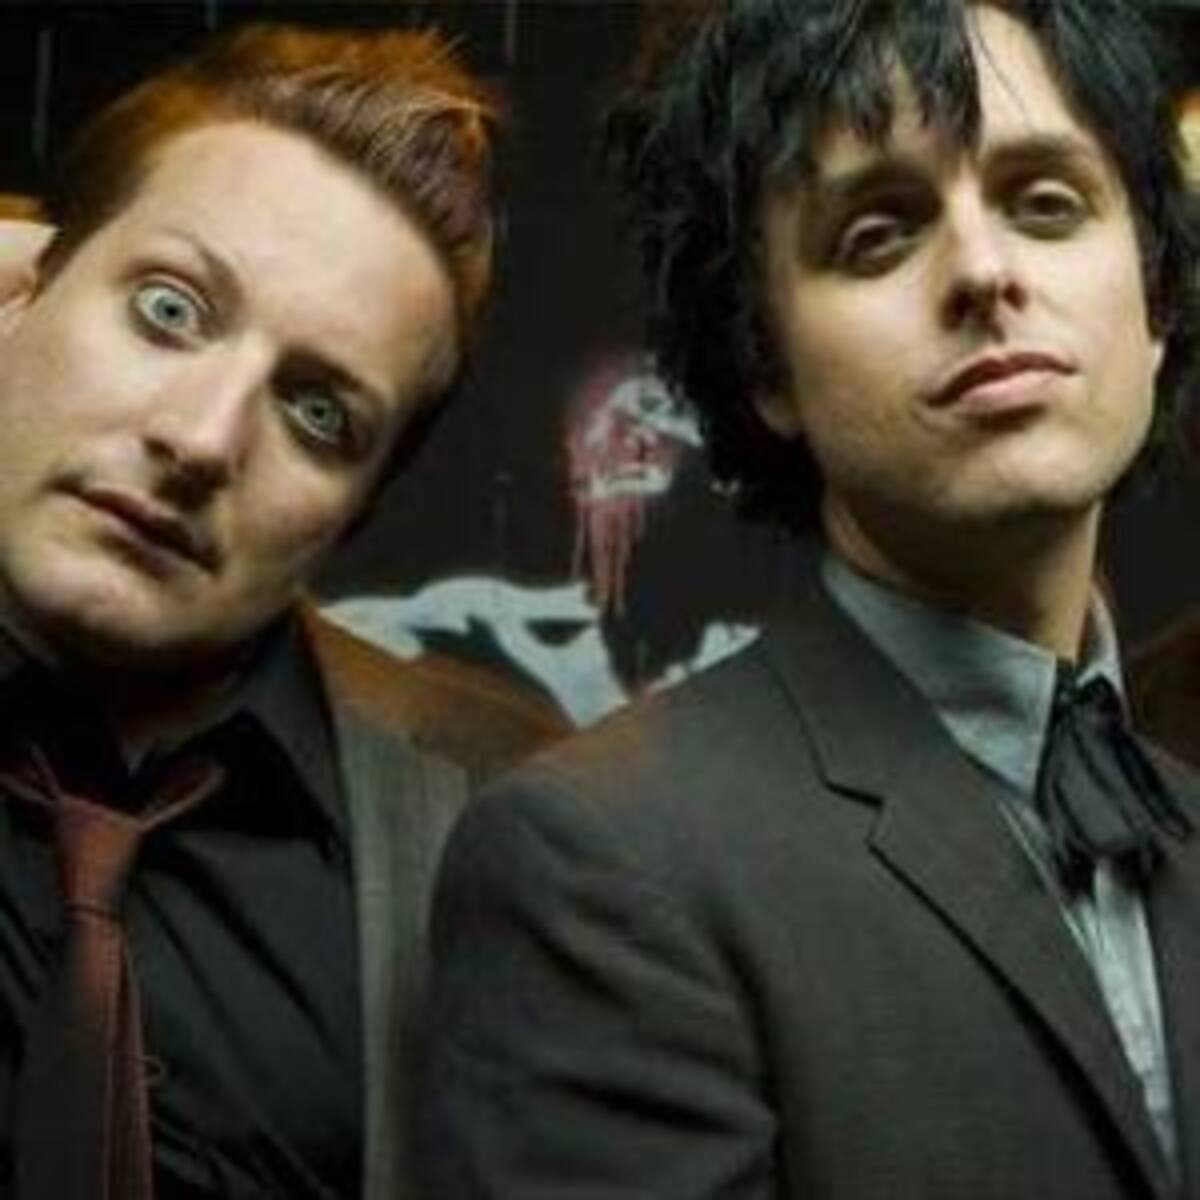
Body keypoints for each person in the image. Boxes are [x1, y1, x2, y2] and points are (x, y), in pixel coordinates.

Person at [418, 1, 1200, 1197]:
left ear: (1156, 309)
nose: (985, 271)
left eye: (1048, 204)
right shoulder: (604, 860)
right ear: (764, 367)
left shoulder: (1182, 817)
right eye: (877, 235)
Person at [0, 21, 563, 1200]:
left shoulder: (496, 818)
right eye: (167, 311)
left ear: (359, 511)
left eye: (319, 415)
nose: (203, 440)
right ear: (22, 291)